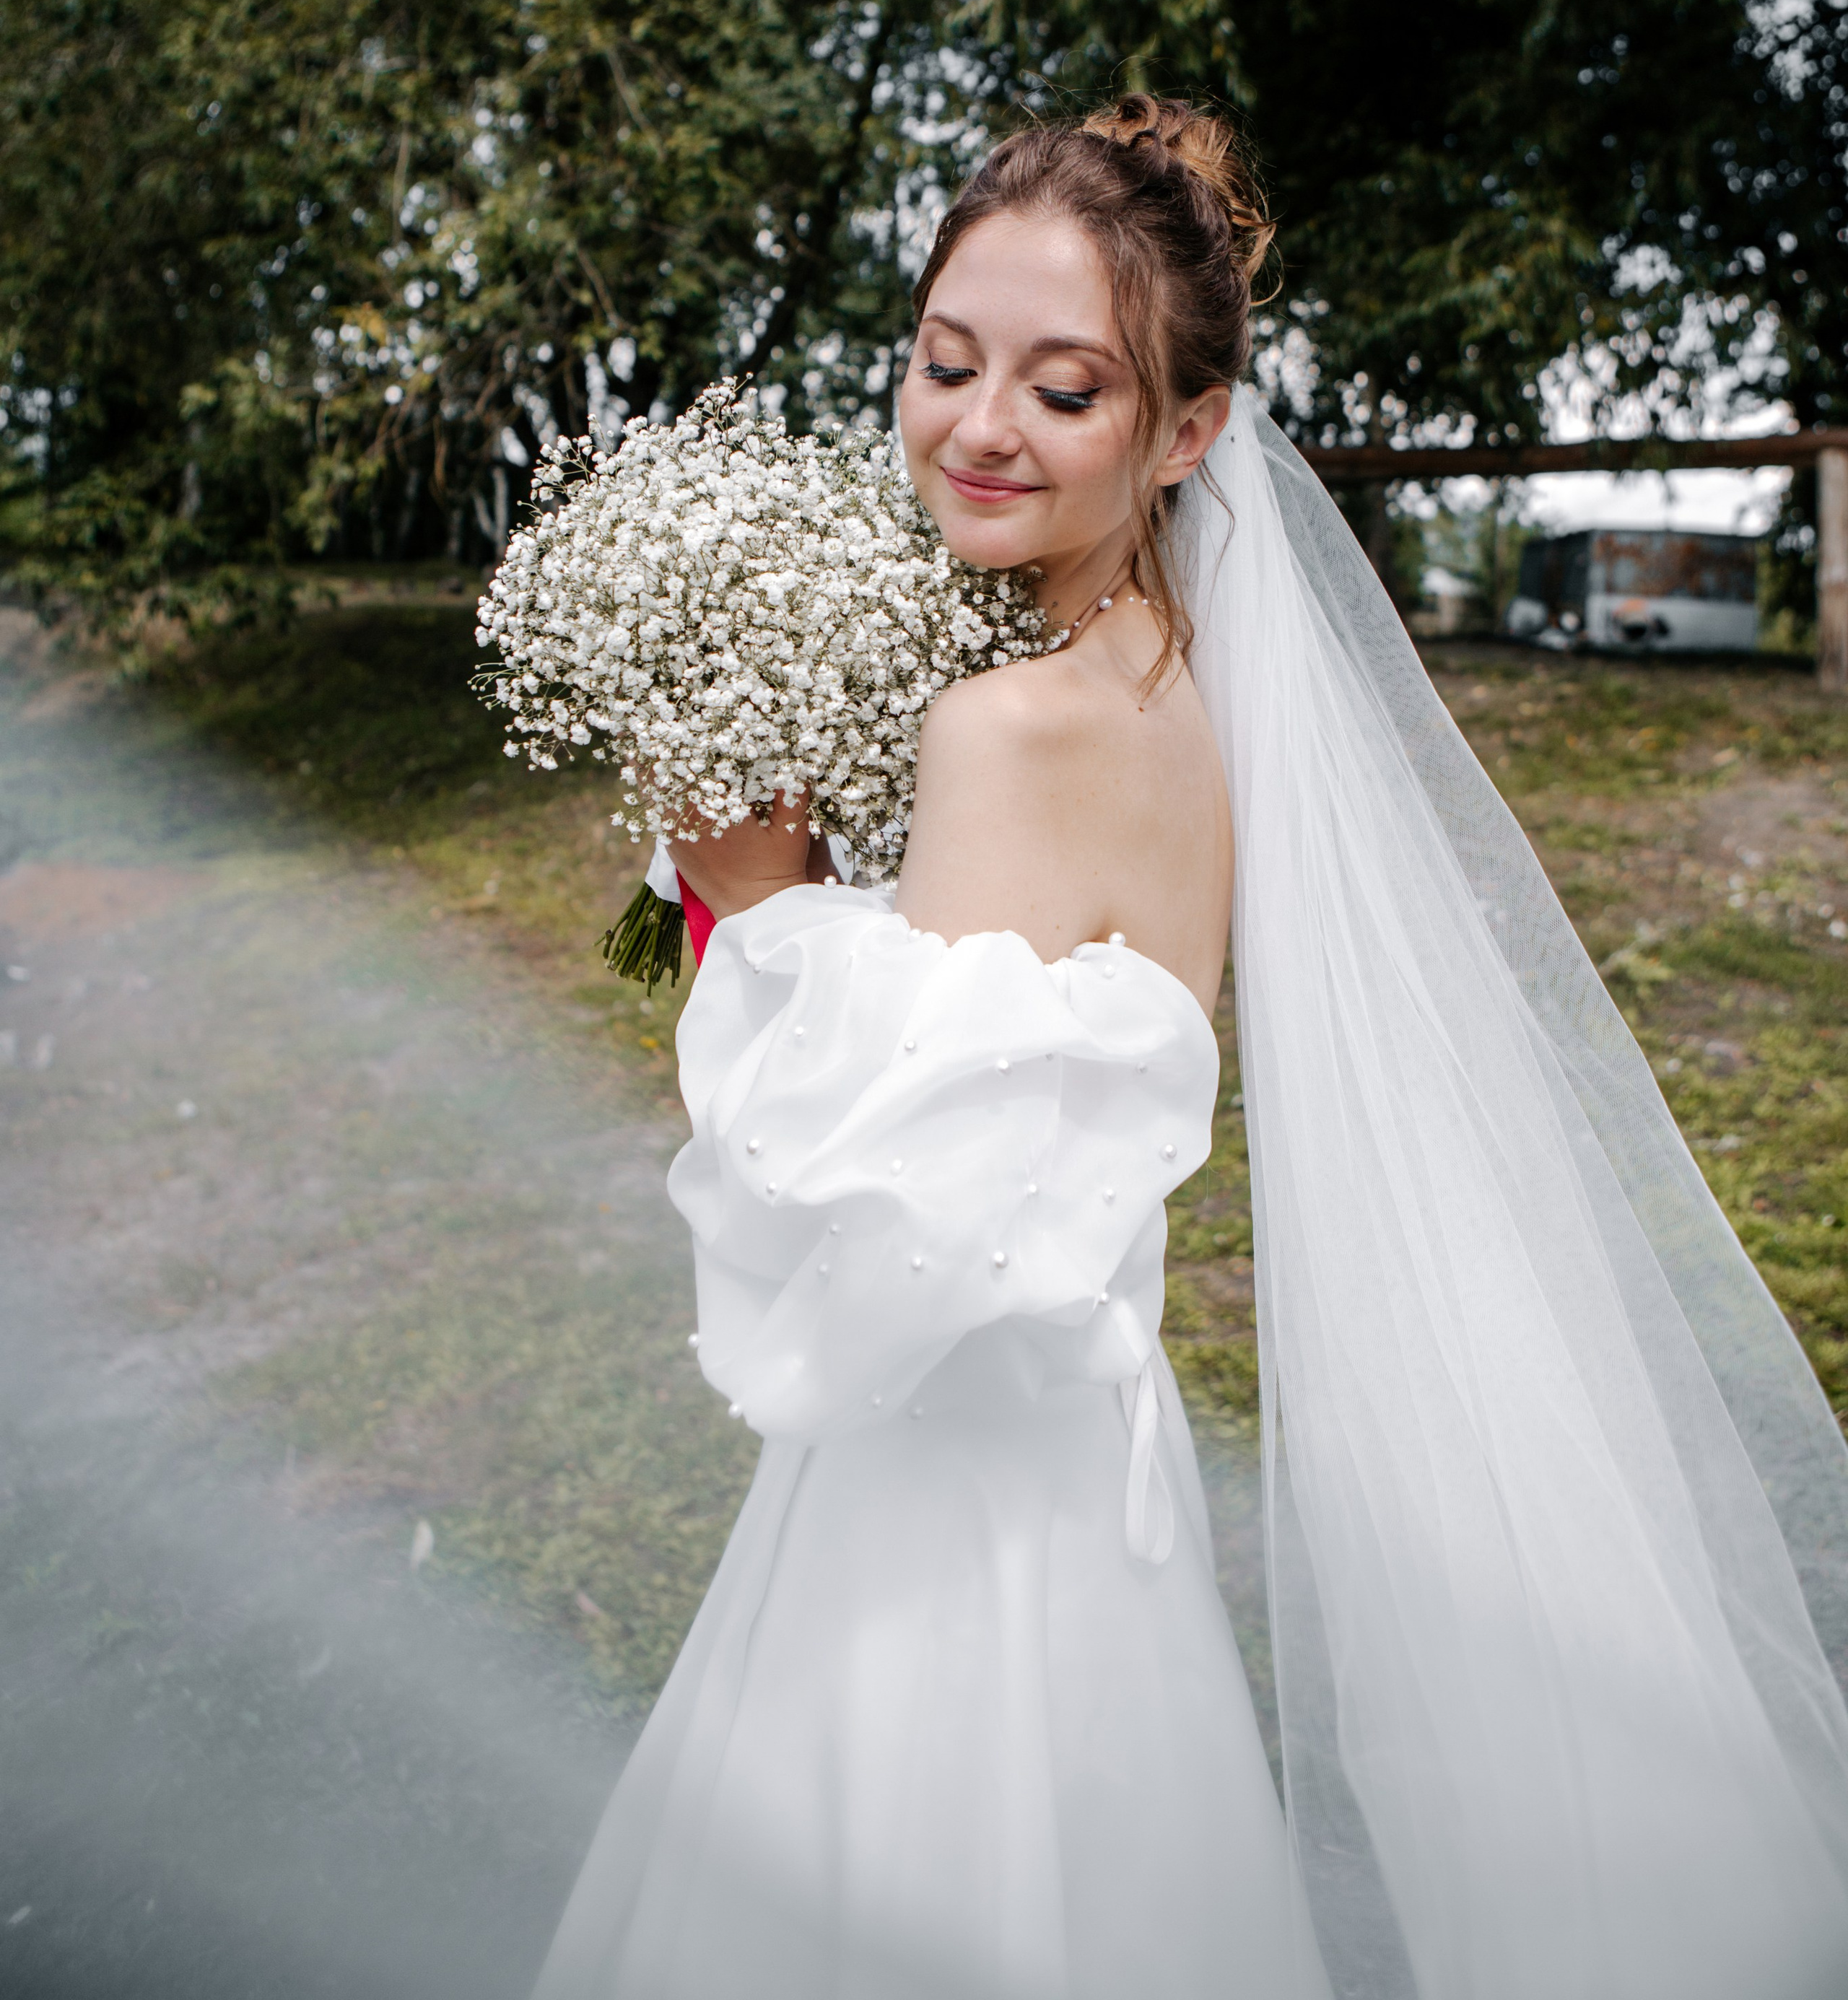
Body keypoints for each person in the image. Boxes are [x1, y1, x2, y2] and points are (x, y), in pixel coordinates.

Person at [533, 100, 1848, 2000]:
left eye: (1065, 391)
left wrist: (758, 897)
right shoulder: (1172, 675)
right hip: (1089, 1496)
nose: (978, 426)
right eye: (943, 362)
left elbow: (879, 1217)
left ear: (1190, 430)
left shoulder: (1012, 727)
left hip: (943, 1528)